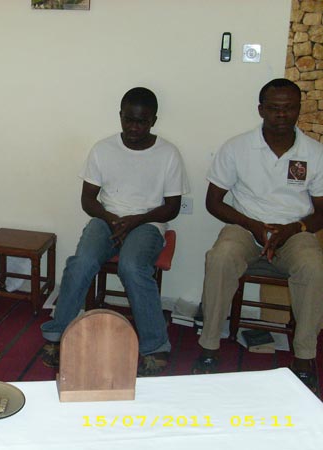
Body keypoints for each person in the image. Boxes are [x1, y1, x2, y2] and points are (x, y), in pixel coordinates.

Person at [40, 87, 189, 375]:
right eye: (128, 120)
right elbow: (88, 200)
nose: (134, 128)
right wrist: (111, 218)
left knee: (132, 267)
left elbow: (171, 208)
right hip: (106, 219)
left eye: (142, 122)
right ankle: (58, 335)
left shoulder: (168, 154)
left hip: (148, 223)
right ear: (120, 116)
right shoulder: (103, 149)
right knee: (81, 262)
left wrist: (134, 221)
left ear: (154, 121)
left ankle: (155, 346)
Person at [193, 78, 323, 395]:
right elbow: (213, 202)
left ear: (298, 109)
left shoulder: (315, 152)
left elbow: (321, 210)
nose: (282, 115)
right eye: (274, 108)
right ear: (261, 110)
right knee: (220, 257)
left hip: (294, 232)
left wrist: (292, 229)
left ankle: (304, 357)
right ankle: (209, 347)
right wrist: (253, 225)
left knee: (314, 267)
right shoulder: (237, 147)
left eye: (289, 108)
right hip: (245, 227)